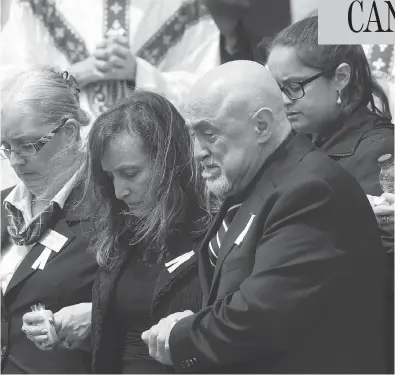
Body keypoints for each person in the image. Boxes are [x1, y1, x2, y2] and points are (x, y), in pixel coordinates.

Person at [141, 60, 386, 373]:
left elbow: (261, 315)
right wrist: (194, 319)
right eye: (193, 135)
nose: (197, 151)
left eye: (209, 133)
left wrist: (180, 338)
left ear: (262, 126)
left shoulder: (311, 190)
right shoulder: (253, 181)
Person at [23, 90, 213, 373]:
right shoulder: (122, 232)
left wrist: (194, 327)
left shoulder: (215, 233)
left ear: (169, 163)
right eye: (110, 176)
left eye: (131, 174)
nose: (119, 191)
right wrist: (88, 318)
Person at [266, 17, 394, 372]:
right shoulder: (307, 141)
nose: (282, 101)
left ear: (340, 77)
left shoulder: (381, 150)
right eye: (275, 88)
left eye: (293, 87)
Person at [0, 67, 97, 373]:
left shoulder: (110, 209)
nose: (15, 161)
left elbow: (150, 305)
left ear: (69, 132)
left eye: (28, 145)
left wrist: (99, 314)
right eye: (6, 147)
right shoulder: (4, 203)